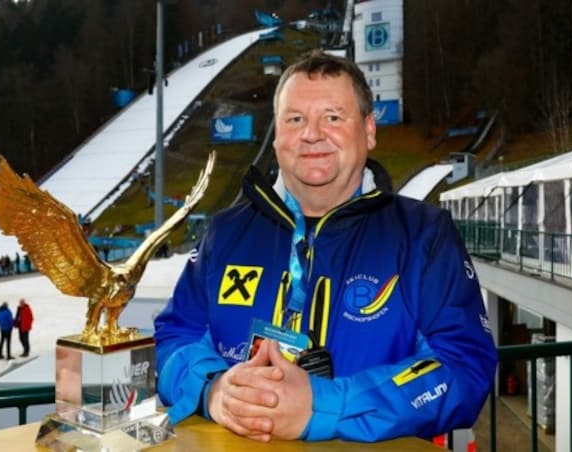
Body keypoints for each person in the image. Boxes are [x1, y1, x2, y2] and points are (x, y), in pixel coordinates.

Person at [154, 51, 497, 443]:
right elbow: (176, 336)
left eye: (332, 117)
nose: (312, 134)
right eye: (295, 119)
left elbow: (463, 367)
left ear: (369, 130)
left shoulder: (425, 236)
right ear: (277, 134)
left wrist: (325, 404)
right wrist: (213, 389)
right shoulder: (226, 232)